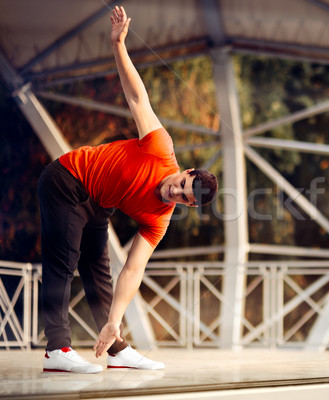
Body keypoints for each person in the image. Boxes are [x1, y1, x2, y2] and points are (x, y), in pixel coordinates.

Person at [38, 6, 217, 373]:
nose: (175, 194)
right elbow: (138, 98)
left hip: (98, 203)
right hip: (67, 180)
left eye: (183, 198)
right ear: (185, 171)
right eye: (182, 185)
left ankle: (115, 345)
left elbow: (133, 271)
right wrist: (118, 44)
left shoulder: (159, 219)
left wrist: (114, 318)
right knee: (64, 260)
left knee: (100, 267)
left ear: (189, 206)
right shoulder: (159, 146)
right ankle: (56, 349)